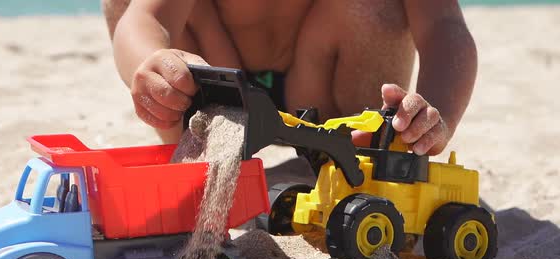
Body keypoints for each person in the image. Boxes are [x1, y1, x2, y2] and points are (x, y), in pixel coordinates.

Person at [102, 0, 477, 156]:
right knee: (126, 5)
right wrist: (154, 64)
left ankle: (363, 152)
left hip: (327, 87)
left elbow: (443, 26)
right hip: (216, 81)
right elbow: (144, 19)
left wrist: (437, 114)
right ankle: (194, 152)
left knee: (373, 5)